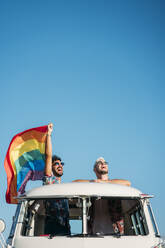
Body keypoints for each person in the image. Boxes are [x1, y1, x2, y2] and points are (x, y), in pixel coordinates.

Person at [73, 157, 131, 235]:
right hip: (94, 233)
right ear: (94, 169)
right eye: (99, 163)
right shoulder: (91, 186)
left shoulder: (115, 185)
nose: (103, 164)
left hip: (115, 233)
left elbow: (127, 183)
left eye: (105, 162)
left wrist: (105, 182)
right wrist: (92, 182)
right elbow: (74, 183)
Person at [43, 123, 70, 236]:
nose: (60, 165)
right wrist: (49, 135)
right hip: (52, 225)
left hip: (65, 225)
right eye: (56, 164)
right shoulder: (49, 180)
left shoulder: (64, 187)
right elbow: (48, 156)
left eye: (61, 163)